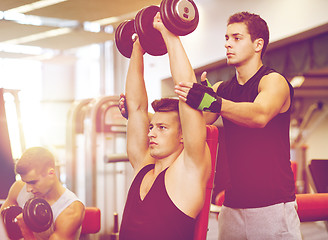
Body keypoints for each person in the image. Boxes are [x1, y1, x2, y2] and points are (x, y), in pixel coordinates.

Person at [174, 11, 302, 239]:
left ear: (258, 44)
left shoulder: (273, 81)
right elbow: (194, 125)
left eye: (236, 38)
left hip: (273, 207)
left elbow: (259, 115)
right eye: (226, 38)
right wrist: (140, 117)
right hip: (232, 207)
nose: (228, 45)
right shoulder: (222, 89)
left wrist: (213, 102)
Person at [118, 12, 211, 240]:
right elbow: (137, 107)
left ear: (182, 135)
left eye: (162, 128)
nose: (151, 133)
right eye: (152, 127)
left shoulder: (189, 170)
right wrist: (137, 48)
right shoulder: (143, 164)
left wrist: (170, 35)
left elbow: (187, 90)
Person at [0, 147, 85, 240]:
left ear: (51, 173)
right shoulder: (19, 188)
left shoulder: (70, 210)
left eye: (33, 182)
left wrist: (25, 229)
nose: (28, 189)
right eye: (25, 182)